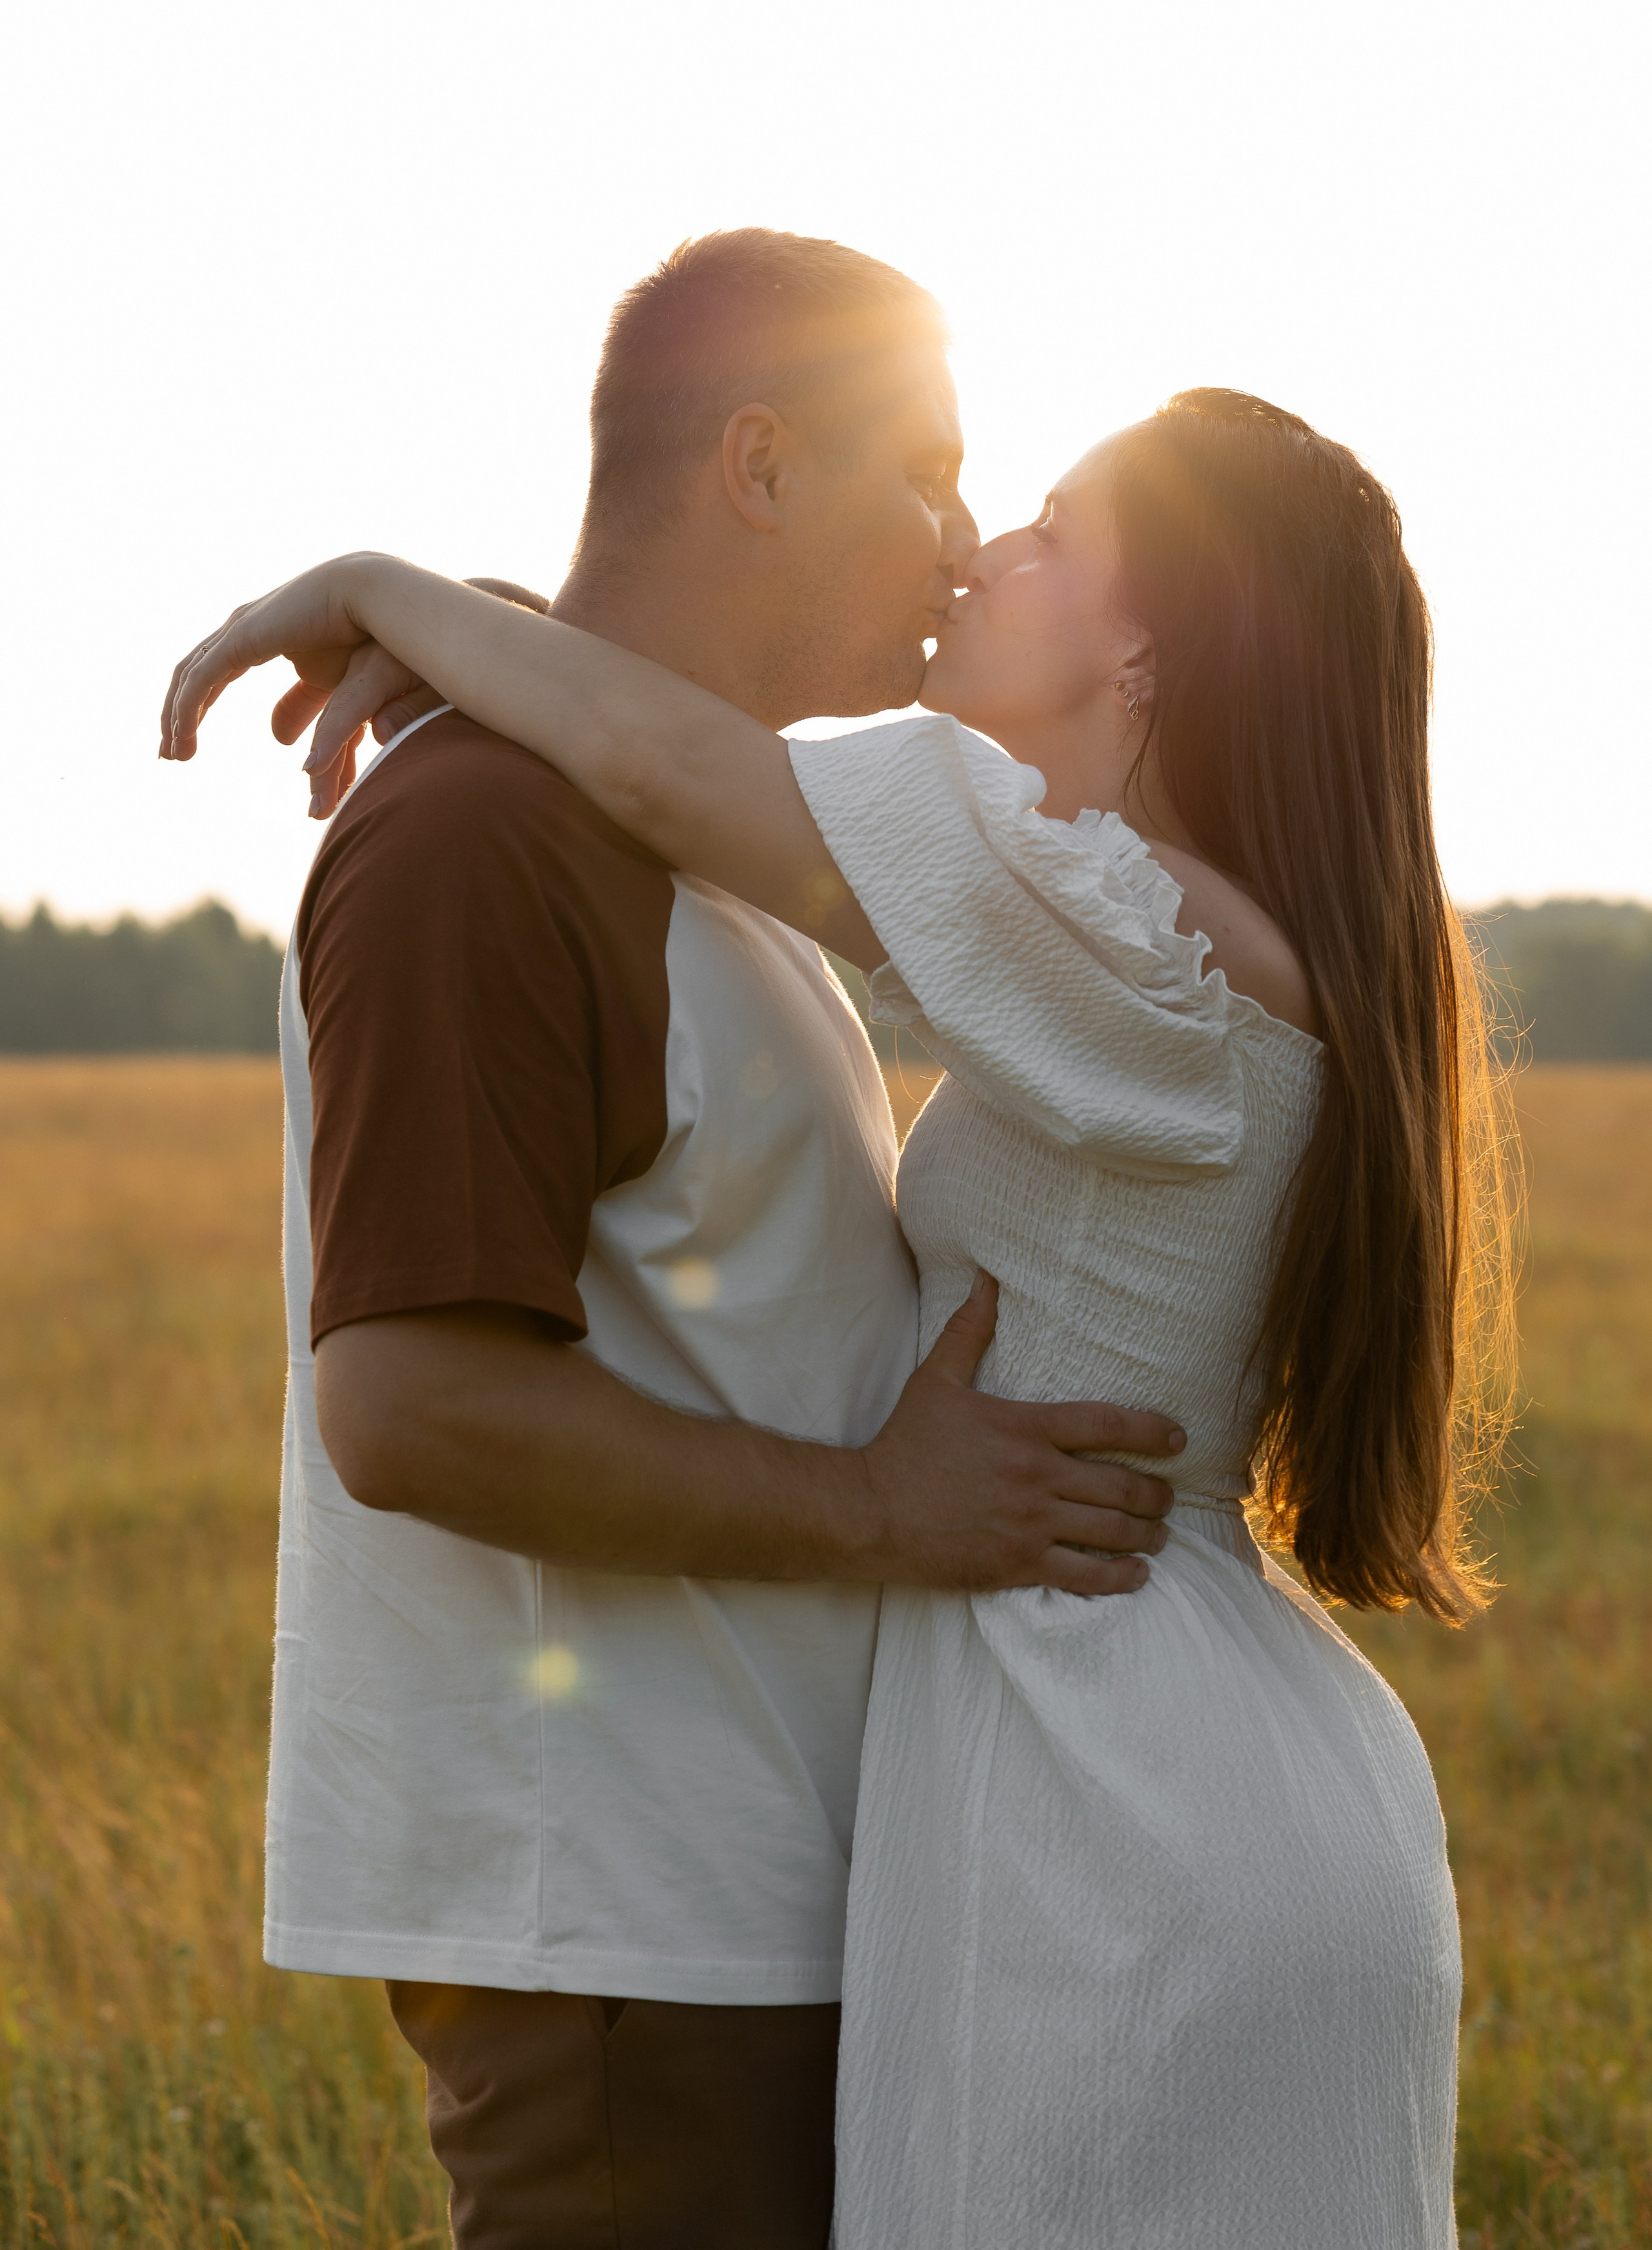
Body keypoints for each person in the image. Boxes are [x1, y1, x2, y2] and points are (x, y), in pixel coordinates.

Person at [164, 375, 1517, 2245]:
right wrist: (518, 634)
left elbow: (670, 770)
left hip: (1114, 1790)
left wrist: (393, 590)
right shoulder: (1202, 936)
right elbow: (671, 755)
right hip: (1190, 1747)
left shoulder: (1120, 923)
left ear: (1142, 639)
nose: (982, 556)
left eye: (1046, 529)